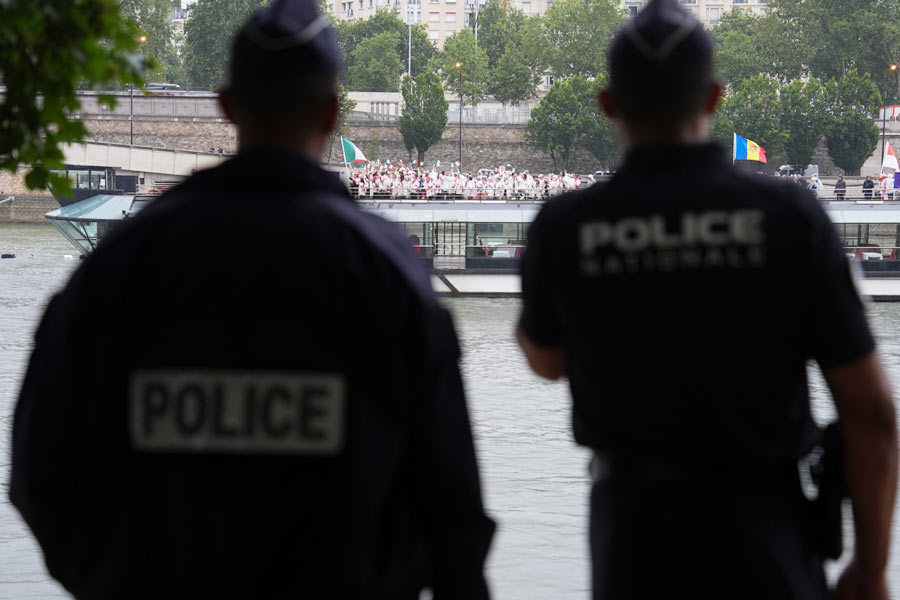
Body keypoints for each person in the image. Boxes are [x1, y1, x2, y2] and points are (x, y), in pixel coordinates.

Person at [10, 1, 494, 598]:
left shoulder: (124, 259)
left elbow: (39, 467)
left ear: (227, 106)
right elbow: (452, 509)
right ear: (331, 113)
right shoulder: (388, 271)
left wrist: (110, 575)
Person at [516, 1, 897, 599]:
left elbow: (546, 362)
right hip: (764, 530)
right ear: (715, 97)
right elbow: (871, 411)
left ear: (608, 104)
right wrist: (871, 568)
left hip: (634, 537)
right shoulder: (789, 218)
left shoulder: (566, 226)